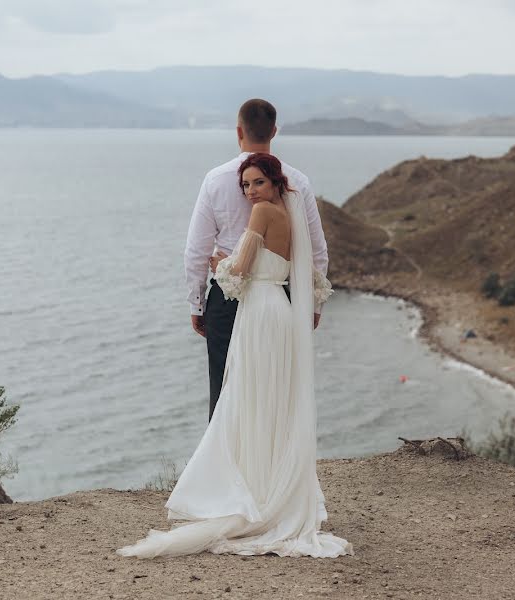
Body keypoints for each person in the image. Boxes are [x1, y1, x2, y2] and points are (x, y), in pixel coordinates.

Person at [116, 153, 350, 559]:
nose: (250, 191)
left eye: (257, 182)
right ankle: (268, 487)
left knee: (245, 397)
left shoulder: (261, 212)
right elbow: (304, 263)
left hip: (259, 312)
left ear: (276, 181)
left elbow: (239, 272)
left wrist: (220, 264)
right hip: (277, 307)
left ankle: (250, 493)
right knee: (268, 399)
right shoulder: (289, 215)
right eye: (245, 185)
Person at [184, 99, 329, 420]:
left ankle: (227, 465)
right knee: (274, 389)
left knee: (224, 390)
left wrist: (197, 305)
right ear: (274, 131)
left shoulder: (215, 179)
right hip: (282, 299)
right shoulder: (297, 182)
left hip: (227, 299)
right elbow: (317, 251)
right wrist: (313, 305)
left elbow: (196, 251)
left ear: (238, 131)